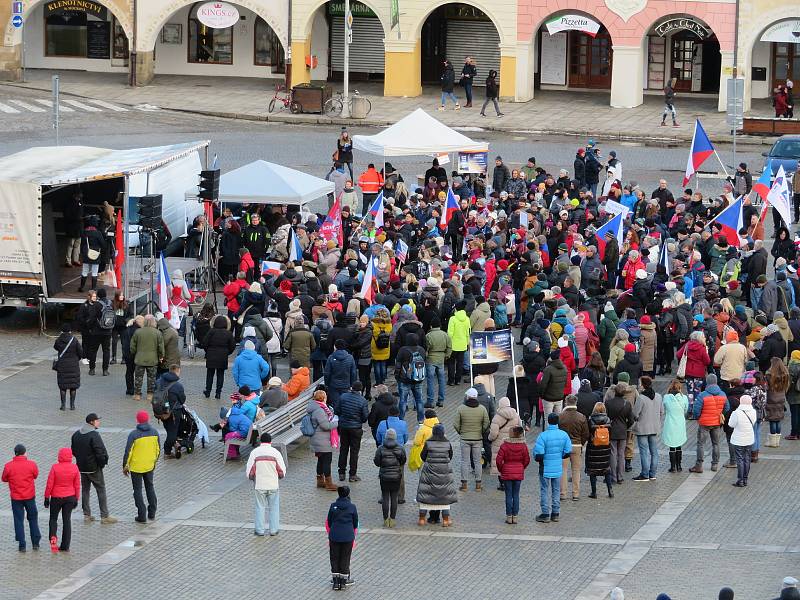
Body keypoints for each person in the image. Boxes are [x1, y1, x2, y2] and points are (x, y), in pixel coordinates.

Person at [70, 413, 116, 524]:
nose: (98, 422)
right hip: (94, 468)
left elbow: (73, 451)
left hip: (81, 468)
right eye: (97, 420)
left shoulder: (76, 434)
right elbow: (100, 452)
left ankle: (87, 515)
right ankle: (104, 516)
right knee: (101, 489)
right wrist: (102, 463)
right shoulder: (94, 435)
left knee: (85, 490)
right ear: (91, 422)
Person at [245, 432, 286, 536]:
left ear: (260, 441)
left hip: (259, 485)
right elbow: (282, 471)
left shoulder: (255, 452)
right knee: (274, 507)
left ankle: (259, 530)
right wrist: (279, 477)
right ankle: (274, 530)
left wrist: (252, 478)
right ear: (270, 441)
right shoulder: (276, 453)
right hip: (273, 485)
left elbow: (249, 471)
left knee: (259, 507)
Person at [416, 424, 457, 527]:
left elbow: (422, 456)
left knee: (426, 494)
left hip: (429, 471)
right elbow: (450, 456)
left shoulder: (428, 443)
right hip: (444, 472)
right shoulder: (447, 443)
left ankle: (422, 519)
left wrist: (430, 462)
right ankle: (446, 520)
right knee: (445, 496)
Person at [533, 413, 572, 523]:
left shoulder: (543, 436)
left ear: (548, 422)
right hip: (557, 467)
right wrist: (559, 457)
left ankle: (545, 514)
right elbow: (568, 451)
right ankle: (555, 513)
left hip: (545, 468)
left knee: (544, 490)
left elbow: (538, 455)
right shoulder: (564, 435)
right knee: (556, 490)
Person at [123, 411, 160, 523]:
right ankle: (152, 513)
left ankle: (142, 514)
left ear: (138, 420)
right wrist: (154, 461)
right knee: (150, 487)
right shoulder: (155, 432)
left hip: (136, 467)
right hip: (149, 465)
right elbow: (158, 450)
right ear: (148, 419)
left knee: (137, 490)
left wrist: (125, 466)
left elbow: (128, 452)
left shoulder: (134, 434)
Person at [2, 444, 41, 552]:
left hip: (16, 498)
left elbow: (4, 478)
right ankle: (35, 542)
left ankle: (22, 544)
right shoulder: (32, 464)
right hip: (30, 497)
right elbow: (35, 475)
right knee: (33, 518)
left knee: (18, 520)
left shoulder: (8, 466)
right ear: (25, 453)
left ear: (15, 453)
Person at [688, 374, 729, 473]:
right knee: (716, 444)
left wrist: (698, 418)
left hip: (704, 423)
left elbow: (696, 410)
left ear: (707, 382)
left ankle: (699, 466)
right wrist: (720, 414)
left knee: (701, 444)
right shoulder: (723, 394)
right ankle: (715, 464)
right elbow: (727, 408)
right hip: (716, 423)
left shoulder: (703, 395)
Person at [43, 448, 80, 553]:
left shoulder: (55, 467)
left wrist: (46, 497)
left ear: (59, 456)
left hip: (56, 497)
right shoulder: (75, 468)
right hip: (70, 497)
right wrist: (77, 498)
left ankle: (53, 541)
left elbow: (49, 484)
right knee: (67, 520)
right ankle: (65, 546)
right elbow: (77, 485)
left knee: (53, 519)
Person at [454, 387, 490, 491]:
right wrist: (481, 431)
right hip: (477, 439)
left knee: (464, 461)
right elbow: (486, 423)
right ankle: (478, 484)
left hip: (465, 438)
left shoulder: (461, 408)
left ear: (468, 397)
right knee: (477, 462)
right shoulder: (482, 409)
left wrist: (461, 432)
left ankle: (464, 485)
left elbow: (455, 424)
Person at [557, 395, 590, 500]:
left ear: (566, 402)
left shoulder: (560, 416)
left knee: (563, 470)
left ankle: (563, 494)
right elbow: (585, 434)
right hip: (576, 445)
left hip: (563, 447)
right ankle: (575, 494)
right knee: (576, 470)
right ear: (576, 403)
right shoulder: (581, 417)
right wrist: (581, 443)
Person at [495, 426, 530, 523]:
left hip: (507, 472)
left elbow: (498, 460)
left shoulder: (505, 446)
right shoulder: (523, 446)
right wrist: (521, 468)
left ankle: (509, 516)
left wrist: (501, 469)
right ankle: (515, 516)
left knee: (508, 495)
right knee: (516, 495)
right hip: (518, 473)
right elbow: (527, 459)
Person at [632, 376, 664, 481]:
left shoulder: (641, 398)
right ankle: (653, 474)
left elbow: (635, 413)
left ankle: (645, 474)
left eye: (640, 383)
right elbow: (662, 412)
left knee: (644, 452)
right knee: (654, 452)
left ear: (643, 385)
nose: (639, 385)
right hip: (654, 428)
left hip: (642, 428)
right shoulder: (658, 396)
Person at [335, 382, 368, 483]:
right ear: (361, 390)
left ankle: (341, 473)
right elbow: (365, 417)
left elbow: (337, 410)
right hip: (356, 428)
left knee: (343, 449)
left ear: (351, 388)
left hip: (343, 427)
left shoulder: (343, 396)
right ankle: (352, 475)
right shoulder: (362, 401)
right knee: (354, 452)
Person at [327, 486, 358, 590]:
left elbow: (329, 521)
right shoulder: (352, 507)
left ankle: (336, 582)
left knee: (334, 558)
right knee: (345, 558)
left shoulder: (333, 506)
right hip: (348, 536)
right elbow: (355, 523)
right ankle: (344, 583)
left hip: (335, 536)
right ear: (348, 494)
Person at [374, 428, 406, 528]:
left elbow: (377, 462)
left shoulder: (380, 448)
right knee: (394, 497)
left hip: (384, 476)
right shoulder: (400, 448)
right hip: (396, 476)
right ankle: (392, 519)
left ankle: (385, 519)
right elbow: (403, 461)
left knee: (385, 497)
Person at [308, 389, 339, 491]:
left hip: (319, 439)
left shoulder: (318, 407)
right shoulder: (319, 410)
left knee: (321, 460)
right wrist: (337, 422)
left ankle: (320, 481)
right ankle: (329, 483)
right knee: (327, 460)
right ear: (323, 398)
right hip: (322, 440)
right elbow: (325, 425)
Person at [154, 364, 187, 458]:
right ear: (177, 371)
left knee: (169, 429)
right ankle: (167, 452)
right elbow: (182, 399)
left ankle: (175, 443)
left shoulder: (159, 381)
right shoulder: (178, 385)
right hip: (173, 412)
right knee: (172, 432)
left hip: (160, 411)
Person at [130, 315, 164, 403]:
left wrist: (134, 353)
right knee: (151, 378)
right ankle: (150, 394)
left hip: (140, 359)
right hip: (152, 359)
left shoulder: (138, 332)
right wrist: (161, 356)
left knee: (138, 377)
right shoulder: (157, 333)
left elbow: (132, 346)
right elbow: (160, 347)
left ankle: (137, 394)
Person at [604, 381, 634, 483]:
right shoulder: (627, 404)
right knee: (621, 454)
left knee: (612, 453)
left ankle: (613, 476)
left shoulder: (608, 403)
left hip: (612, 430)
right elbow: (631, 420)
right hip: (622, 431)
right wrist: (626, 427)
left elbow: (606, 417)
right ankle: (620, 477)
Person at [395, 333, 427, 423]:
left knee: (403, 400)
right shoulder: (421, 350)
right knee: (419, 400)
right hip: (418, 379)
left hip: (404, 379)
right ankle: (421, 420)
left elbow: (398, 364)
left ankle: (400, 419)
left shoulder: (403, 350)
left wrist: (397, 376)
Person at [585, 402, 614, 499]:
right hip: (605, 447)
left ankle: (594, 492)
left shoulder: (590, 420)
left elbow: (587, 433)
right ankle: (610, 490)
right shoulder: (608, 420)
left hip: (593, 447)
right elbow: (611, 433)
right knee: (606, 469)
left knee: (593, 470)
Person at [202, 315, 235, 400]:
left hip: (211, 355)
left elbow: (204, 343)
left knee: (210, 374)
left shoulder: (211, 331)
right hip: (222, 356)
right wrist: (227, 352)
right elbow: (232, 346)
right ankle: (218, 393)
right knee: (220, 375)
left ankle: (208, 391)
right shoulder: (228, 333)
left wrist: (208, 351)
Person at [728, 394, 757, 487]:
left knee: (739, 459)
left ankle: (740, 480)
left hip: (738, 439)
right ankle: (745, 479)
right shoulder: (753, 411)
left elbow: (731, 424)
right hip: (749, 438)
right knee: (747, 458)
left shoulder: (736, 412)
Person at [53, 323, 82, 411]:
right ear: (70, 330)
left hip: (62, 365)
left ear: (61, 330)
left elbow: (56, 347)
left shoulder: (58, 340)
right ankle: (72, 405)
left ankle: (63, 405)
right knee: (73, 386)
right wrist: (76, 358)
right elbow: (80, 352)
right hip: (73, 365)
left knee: (63, 386)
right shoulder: (74, 340)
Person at [662, 380, 688, 472]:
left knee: (671, 446)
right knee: (679, 445)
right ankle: (679, 466)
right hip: (680, 423)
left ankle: (672, 467)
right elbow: (686, 409)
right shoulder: (684, 398)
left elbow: (663, 409)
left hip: (670, 423)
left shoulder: (666, 397)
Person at [425, 315, 451, 408]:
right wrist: (446, 355)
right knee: (441, 380)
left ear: (431, 326)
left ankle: (430, 401)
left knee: (430, 381)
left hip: (431, 359)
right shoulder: (445, 334)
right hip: (441, 359)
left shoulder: (428, 335)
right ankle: (441, 400)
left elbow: (426, 348)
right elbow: (449, 347)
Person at [765, 357, 790, 448]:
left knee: (772, 420)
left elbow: (766, 388)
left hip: (771, 399)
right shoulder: (785, 375)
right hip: (781, 399)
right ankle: (777, 441)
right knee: (778, 420)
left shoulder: (769, 375)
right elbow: (787, 387)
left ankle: (772, 441)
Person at [447, 300, 471, 386]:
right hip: (463, 344)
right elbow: (468, 333)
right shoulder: (467, 319)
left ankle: (451, 380)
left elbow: (450, 333)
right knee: (460, 363)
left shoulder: (452, 319)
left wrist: (448, 344)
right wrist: (467, 343)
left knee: (451, 362)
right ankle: (458, 380)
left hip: (453, 345)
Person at [79, 214, 104, 291]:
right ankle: (93, 288)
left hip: (86, 253)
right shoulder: (98, 233)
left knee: (85, 270)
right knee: (94, 271)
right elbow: (103, 243)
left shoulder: (84, 232)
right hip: (96, 253)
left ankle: (82, 287)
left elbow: (82, 243)